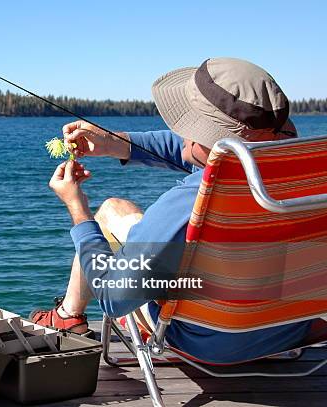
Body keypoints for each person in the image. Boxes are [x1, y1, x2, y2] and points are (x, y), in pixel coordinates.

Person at [29, 57, 309, 363]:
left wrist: (78, 209)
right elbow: (195, 150)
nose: (181, 132)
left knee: (112, 210)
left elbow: (112, 297)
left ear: (207, 141)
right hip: (289, 329)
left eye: (188, 124)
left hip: (208, 340)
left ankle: (68, 315)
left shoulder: (192, 201)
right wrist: (115, 143)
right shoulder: (304, 171)